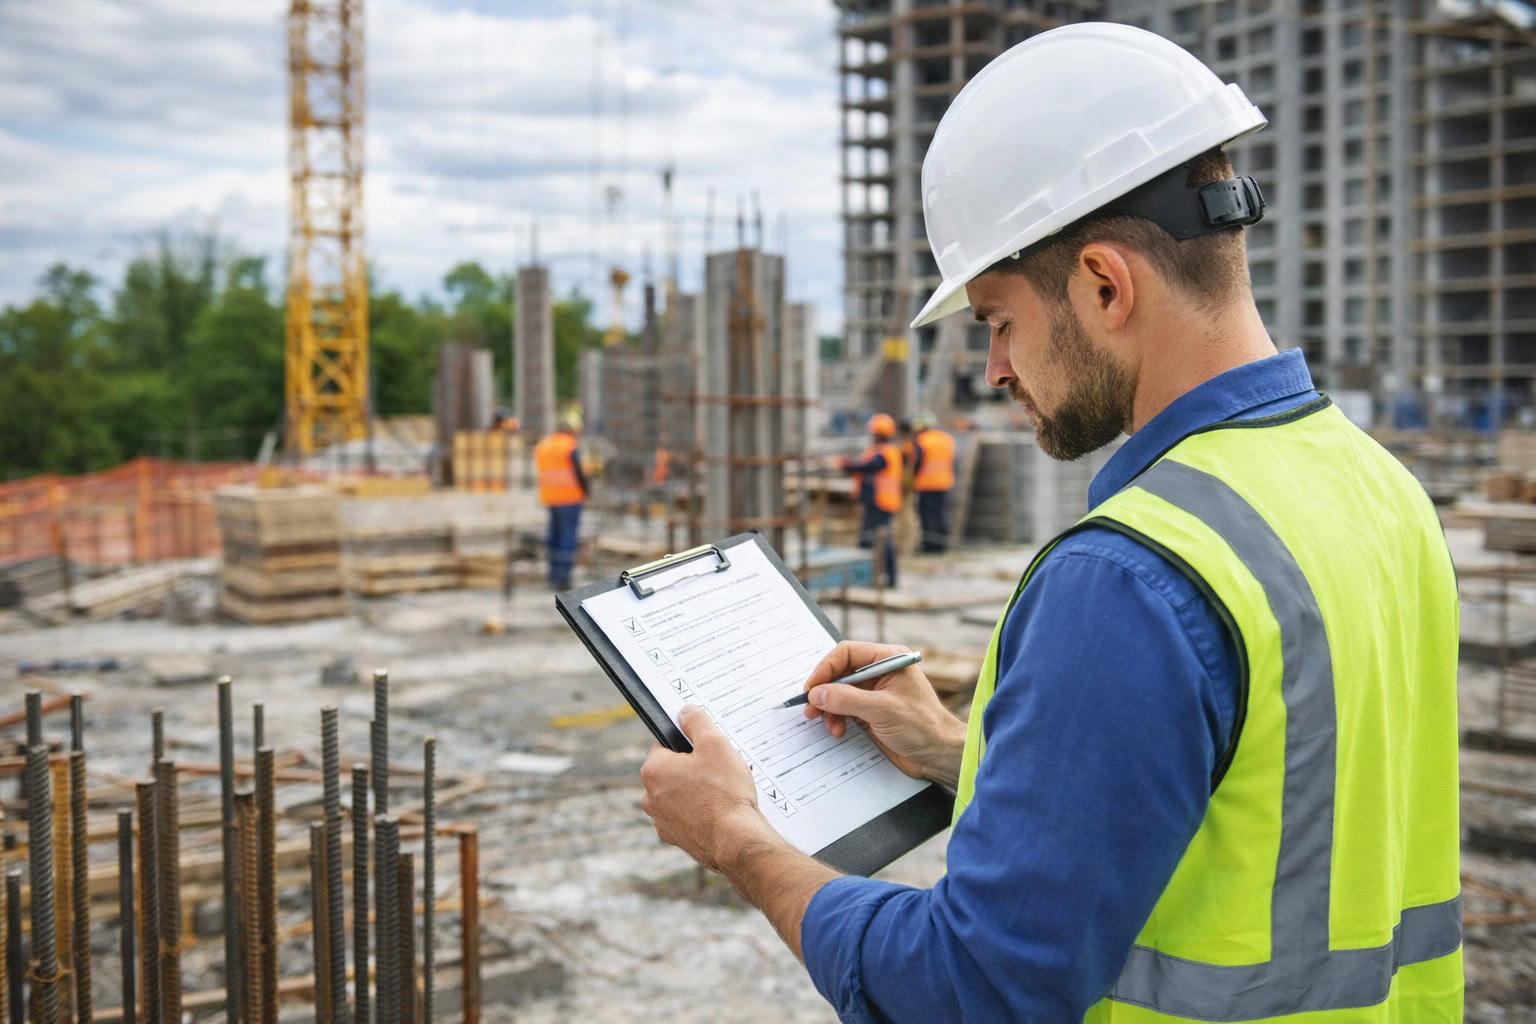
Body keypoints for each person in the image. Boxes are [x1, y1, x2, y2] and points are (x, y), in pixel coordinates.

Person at [638, 23, 1461, 1022]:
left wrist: (735, 833)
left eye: (997, 319)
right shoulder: (1376, 487)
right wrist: (959, 748)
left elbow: (970, 986)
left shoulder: (1129, 577)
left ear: (1105, 285)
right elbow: (1272, 796)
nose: (992, 369)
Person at [842, 413, 901, 588]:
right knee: (868, 540)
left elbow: (870, 466)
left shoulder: (886, 453)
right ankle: (869, 577)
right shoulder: (878, 451)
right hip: (875, 502)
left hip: (882, 503)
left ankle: (884, 578)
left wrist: (847, 464)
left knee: (876, 541)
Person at [532, 410, 588, 590]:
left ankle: (553, 574)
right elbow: (579, 472)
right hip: (570, 498)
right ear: (571, 429)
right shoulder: (569, 445)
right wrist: (587, 491)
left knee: (554, 537)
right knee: (567, 538)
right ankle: (562, 578)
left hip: (551, 498)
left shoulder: (544, 445)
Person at [910, 411, 956, 553]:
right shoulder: (946, 439)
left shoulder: (922, 441)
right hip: (943, 483)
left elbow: (917, 463)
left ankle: (929, 547)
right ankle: (941, 546)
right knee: (940, 515)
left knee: (927, 516)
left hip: (927, 484)